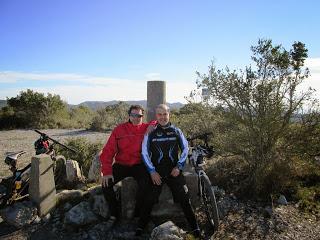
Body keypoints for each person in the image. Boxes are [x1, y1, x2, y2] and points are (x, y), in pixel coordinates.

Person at [136, 104, 200, 238]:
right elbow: (144, 153)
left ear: (169, 114)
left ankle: (195, 228)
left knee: (184, 197)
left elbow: (186, 149)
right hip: (157, 172)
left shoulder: (177, 131)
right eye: (160, 114)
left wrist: (179, 167)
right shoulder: (150, 133)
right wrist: (152, 172)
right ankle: (140, 227)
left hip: (174, 170)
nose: (163, 117)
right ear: (156, 116)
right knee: (149, 198)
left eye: (165, 114)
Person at [99, 105, 155, 224]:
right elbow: (108, 151)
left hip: (138, 165)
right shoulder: (119, 130)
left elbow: (159, 122)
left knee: (146, 185)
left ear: (142, 116)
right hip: (121, 164)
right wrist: (107, 172)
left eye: (139, 116)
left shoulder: (146, 128)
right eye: (133, 115)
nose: (136, 118)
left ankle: (137, 214)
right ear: (129, 115)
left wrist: (152, 124)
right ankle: (114, 213)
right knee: (105, 185)